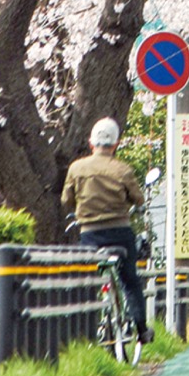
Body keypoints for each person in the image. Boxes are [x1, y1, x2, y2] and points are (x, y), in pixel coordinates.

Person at [62, 118, 152, 344]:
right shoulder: (122, 170)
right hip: (120, 233)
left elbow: (66, 199)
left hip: (90, 234)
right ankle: (141, 328)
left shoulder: (77, 168)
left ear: (91, 143)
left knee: (87, 280)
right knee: (129, 280)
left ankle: (81, 333)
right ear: (116, 144)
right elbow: (138, 199)